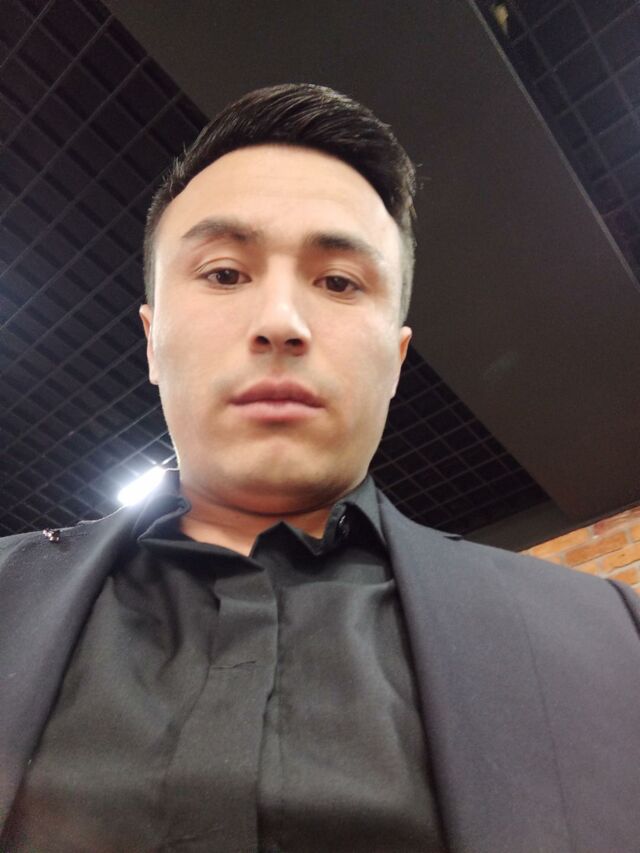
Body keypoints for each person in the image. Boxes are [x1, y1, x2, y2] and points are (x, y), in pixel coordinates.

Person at [0, 84, 639, 853]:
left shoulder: (614, 647)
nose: (280, 322)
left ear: (396, 358)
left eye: (338, 281)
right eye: (224, 273)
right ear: (151, 340)